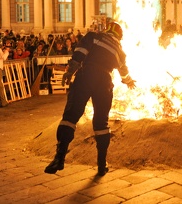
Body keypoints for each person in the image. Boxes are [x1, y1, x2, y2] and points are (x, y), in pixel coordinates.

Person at [44, 22, 136, 176]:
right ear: (119, 36)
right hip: (105, 83)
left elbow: (79, 54)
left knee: (70, 117)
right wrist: (129, 82)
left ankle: (59, 158)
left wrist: (70, 72)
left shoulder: (94, 36)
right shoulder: (120, 51)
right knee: (101, 123)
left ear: (107, 30)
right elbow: (124, 72)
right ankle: (101, 164)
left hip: (86, 76)